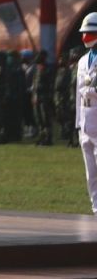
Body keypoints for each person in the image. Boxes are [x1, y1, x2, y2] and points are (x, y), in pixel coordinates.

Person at [75, 12, 97, 215]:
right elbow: (77, 92)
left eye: (89, 33)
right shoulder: (82, 61)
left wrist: (91, 90)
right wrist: (78, 123)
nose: (85, 37)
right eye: (84, 33)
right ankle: (95, 205)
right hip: (85, 118)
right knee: (90, 170)